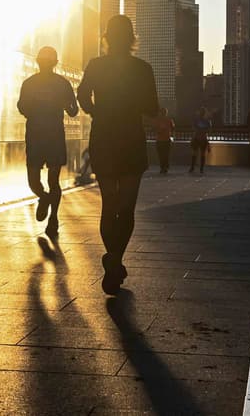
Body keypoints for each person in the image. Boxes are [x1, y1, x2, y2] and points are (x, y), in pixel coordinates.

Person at [76, 15, 160, 295]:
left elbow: (82, 95)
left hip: (104, 138)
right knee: (126, 207)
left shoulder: (96, 66)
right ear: (132, 37)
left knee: (109, 205)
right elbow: (151, 108)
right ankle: (115, 260)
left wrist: (96, 111)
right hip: (131, 139)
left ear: (107, 37)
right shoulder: (142, 69)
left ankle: (113, 261)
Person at [17, 46, 78, 240]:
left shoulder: (29, 83)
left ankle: (49, 210)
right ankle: (51, 212)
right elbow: (74, 111)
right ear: (55, 63)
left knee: (34, 180)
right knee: (53, 181)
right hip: (53, 135)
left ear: (38, 61)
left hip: (36, 135)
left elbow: (22, 107)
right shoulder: (62, 83)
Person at [190, 108, 212, 175]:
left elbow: (194, 128)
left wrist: (199, 130)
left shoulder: (197, 120)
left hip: (198, 138)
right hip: (201, 138)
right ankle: (199, 168)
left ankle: (194, 167)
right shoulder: (207, 121)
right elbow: (209, 130)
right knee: (200, 154)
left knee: (196, 153)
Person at [154, 108, 174, 174]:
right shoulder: (169, 120)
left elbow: (154, 128)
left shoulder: (157, 120)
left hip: (159, 140)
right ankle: (165, 167)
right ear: (166, 113)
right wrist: (170, 134)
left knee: (161, 155)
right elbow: (173, 127)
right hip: (167, 139)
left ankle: (162, 167)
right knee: (166, 154)